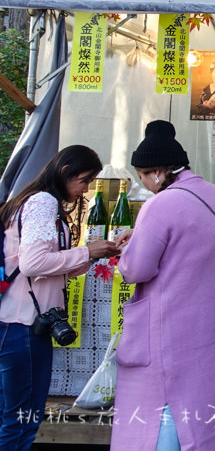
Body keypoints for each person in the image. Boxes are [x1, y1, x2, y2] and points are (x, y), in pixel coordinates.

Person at [110, 120, 215, 451]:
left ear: (158, 172)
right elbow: (187, 242)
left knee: (165, 406)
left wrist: (128, 249)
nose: (144, 184)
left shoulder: (159, 204)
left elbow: (136, 270)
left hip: (169, 324)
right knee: (197, 399)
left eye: (144, 176)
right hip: (208, 323)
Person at [0, 145, 120, 450]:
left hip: (24, 323)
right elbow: (33, 263)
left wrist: (93, 256)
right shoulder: (42, 202)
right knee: (20, 418)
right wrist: (86, 251)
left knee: (18, 416)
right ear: (66, 172)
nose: (86, 190)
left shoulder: (37, 201)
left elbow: (49, 269)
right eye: (84, 180)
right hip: (22, 324)